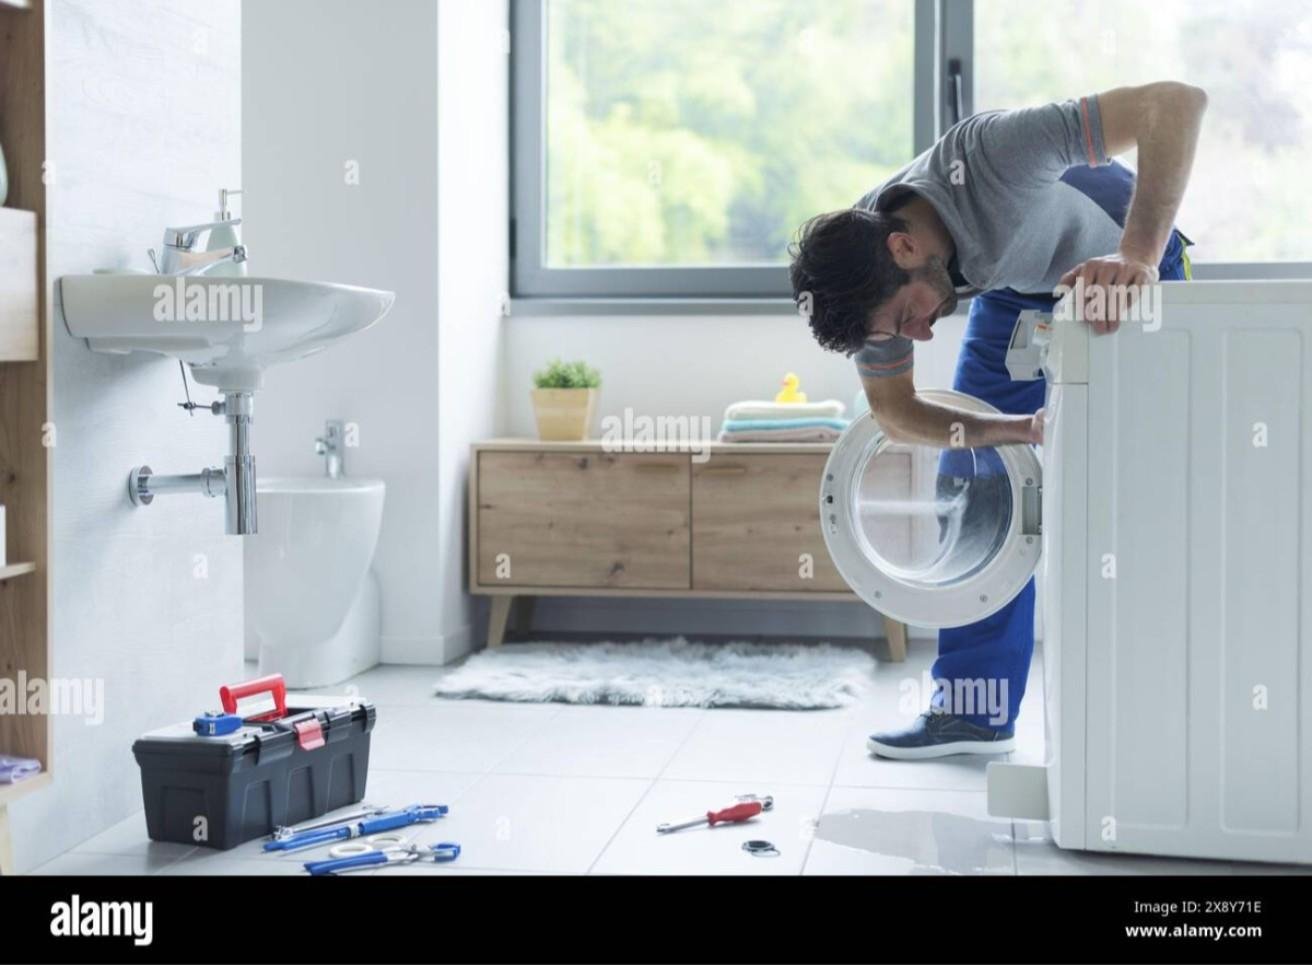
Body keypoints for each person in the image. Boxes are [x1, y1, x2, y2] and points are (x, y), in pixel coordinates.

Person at [789, 82, 1207, 758]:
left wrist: (1136, 254)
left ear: (903, 248)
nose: (916, 338)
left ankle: (1154, 714)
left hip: (1130, 263)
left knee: (1136, 496)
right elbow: (896, 411)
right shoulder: (865, 277)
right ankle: (973, 714)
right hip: (1020, 292)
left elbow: (1176, 105)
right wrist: (1006, 435)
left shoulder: (990, 154)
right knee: (979, 482)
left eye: (907, 318)